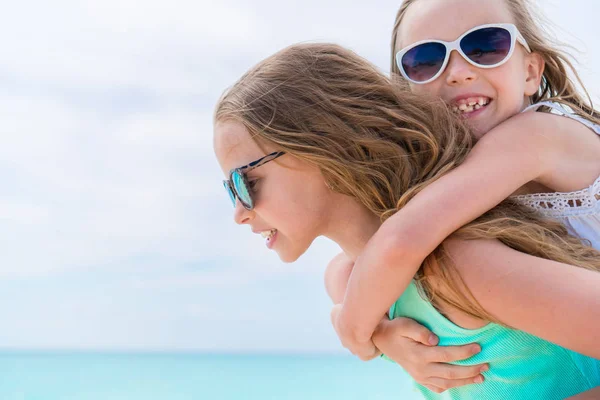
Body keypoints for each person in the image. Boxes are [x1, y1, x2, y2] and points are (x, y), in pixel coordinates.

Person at [213, 43, 600, 399]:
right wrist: (377, 336)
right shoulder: (352, 284)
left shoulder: (456, 267)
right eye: (231, 191)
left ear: (325, 151)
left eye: (245, 182)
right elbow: (344, 287)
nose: (239, 212)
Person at [330, 0, 600, 393]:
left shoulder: (538, 134)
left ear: (530, 71)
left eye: (485, 46)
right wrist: (382, 331)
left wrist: (356, 331)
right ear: (405, 93)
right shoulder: (459, 177)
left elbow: (399, 241)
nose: (457, 72)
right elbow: (352, 260)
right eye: (425, 59)